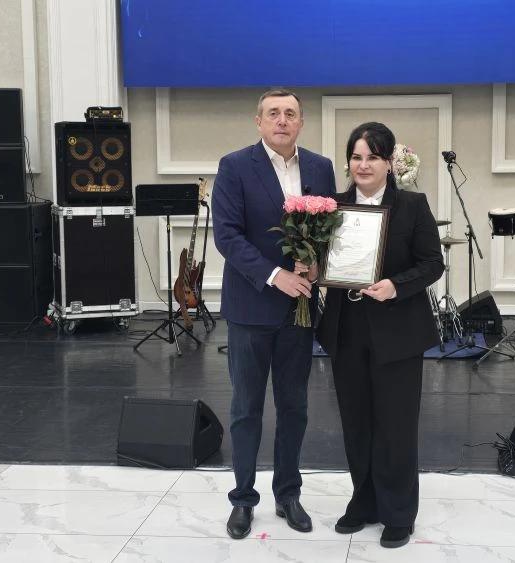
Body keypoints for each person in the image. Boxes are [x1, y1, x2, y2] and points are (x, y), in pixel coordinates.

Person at [212, 89, 336, 540]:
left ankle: (288, 494)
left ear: (301, 122)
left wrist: (319, 264)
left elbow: (331, 231)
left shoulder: (320, 168)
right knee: (246, 408)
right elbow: (227, 236)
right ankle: (243, 500)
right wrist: (273, 275)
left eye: (290, 113)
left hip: (300, 310)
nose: (282, 120)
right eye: (273, 113)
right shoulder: (235, 166)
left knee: (294, 406)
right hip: (251, 307)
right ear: (259, 121)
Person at [315, 122, 444, 549]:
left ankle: (398, 512)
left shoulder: (412, 205)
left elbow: (432, 263)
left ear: (390, 162)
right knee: (356, 422)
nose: (363, 165)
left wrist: (395, 285)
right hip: (346, 327)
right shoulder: (331, 207)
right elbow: (320, 260)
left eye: (372, 157)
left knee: (396, 424)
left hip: (397, 329)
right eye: (356, 157)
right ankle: (364, 502)